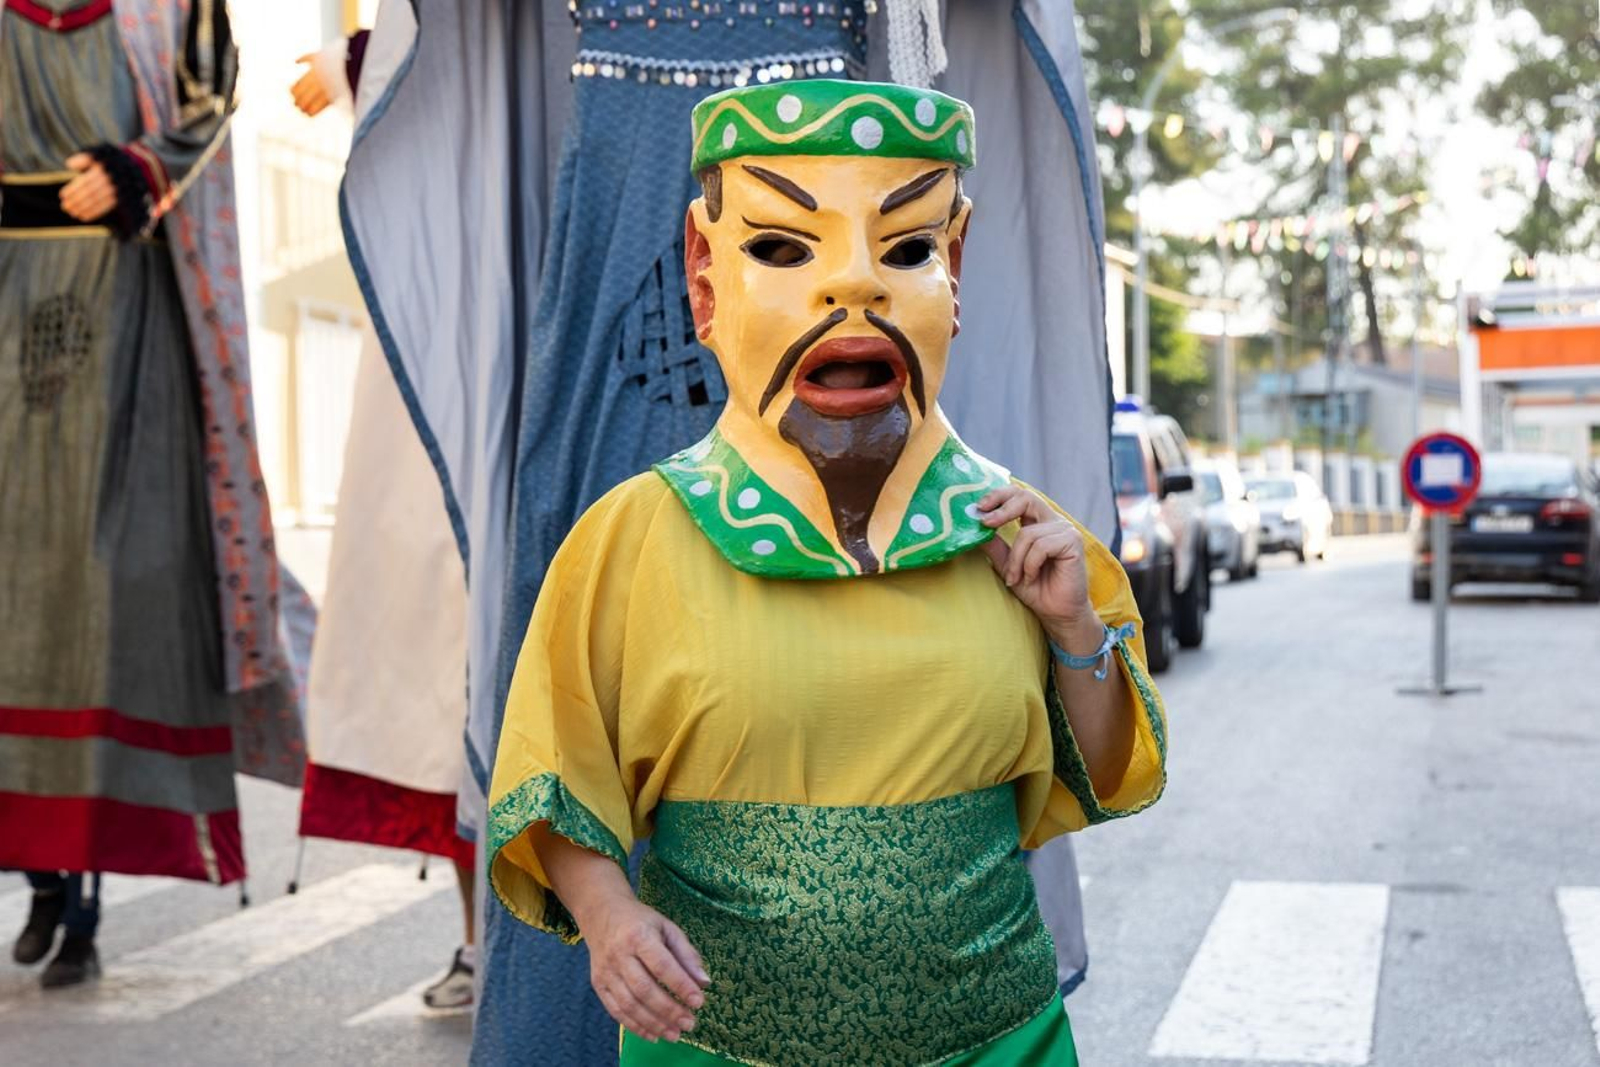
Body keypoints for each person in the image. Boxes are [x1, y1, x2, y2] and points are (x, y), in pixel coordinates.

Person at [341, 2, 1114, 1059]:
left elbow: (1099, 769)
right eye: (785, 249)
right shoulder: (629, 537)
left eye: (905, 249)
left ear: (954, 269)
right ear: (705, 280)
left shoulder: (1009, 535)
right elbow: (550, 771)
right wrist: (608, 915)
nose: (850, 282)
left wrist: (1076, 632)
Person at [0, 0, 304, 988]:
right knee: (16, 598)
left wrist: (140, 166)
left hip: (126, 302)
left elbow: (213, 91)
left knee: (109, 595)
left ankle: (83, 888)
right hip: (6, 294)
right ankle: (42, 868)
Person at [287, 30, 477, 1010]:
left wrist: (352, 63)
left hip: (552, 308)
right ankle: (481, 936)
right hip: (433, 330)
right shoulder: (401, 45)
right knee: (446, 662)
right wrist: (356, 63)